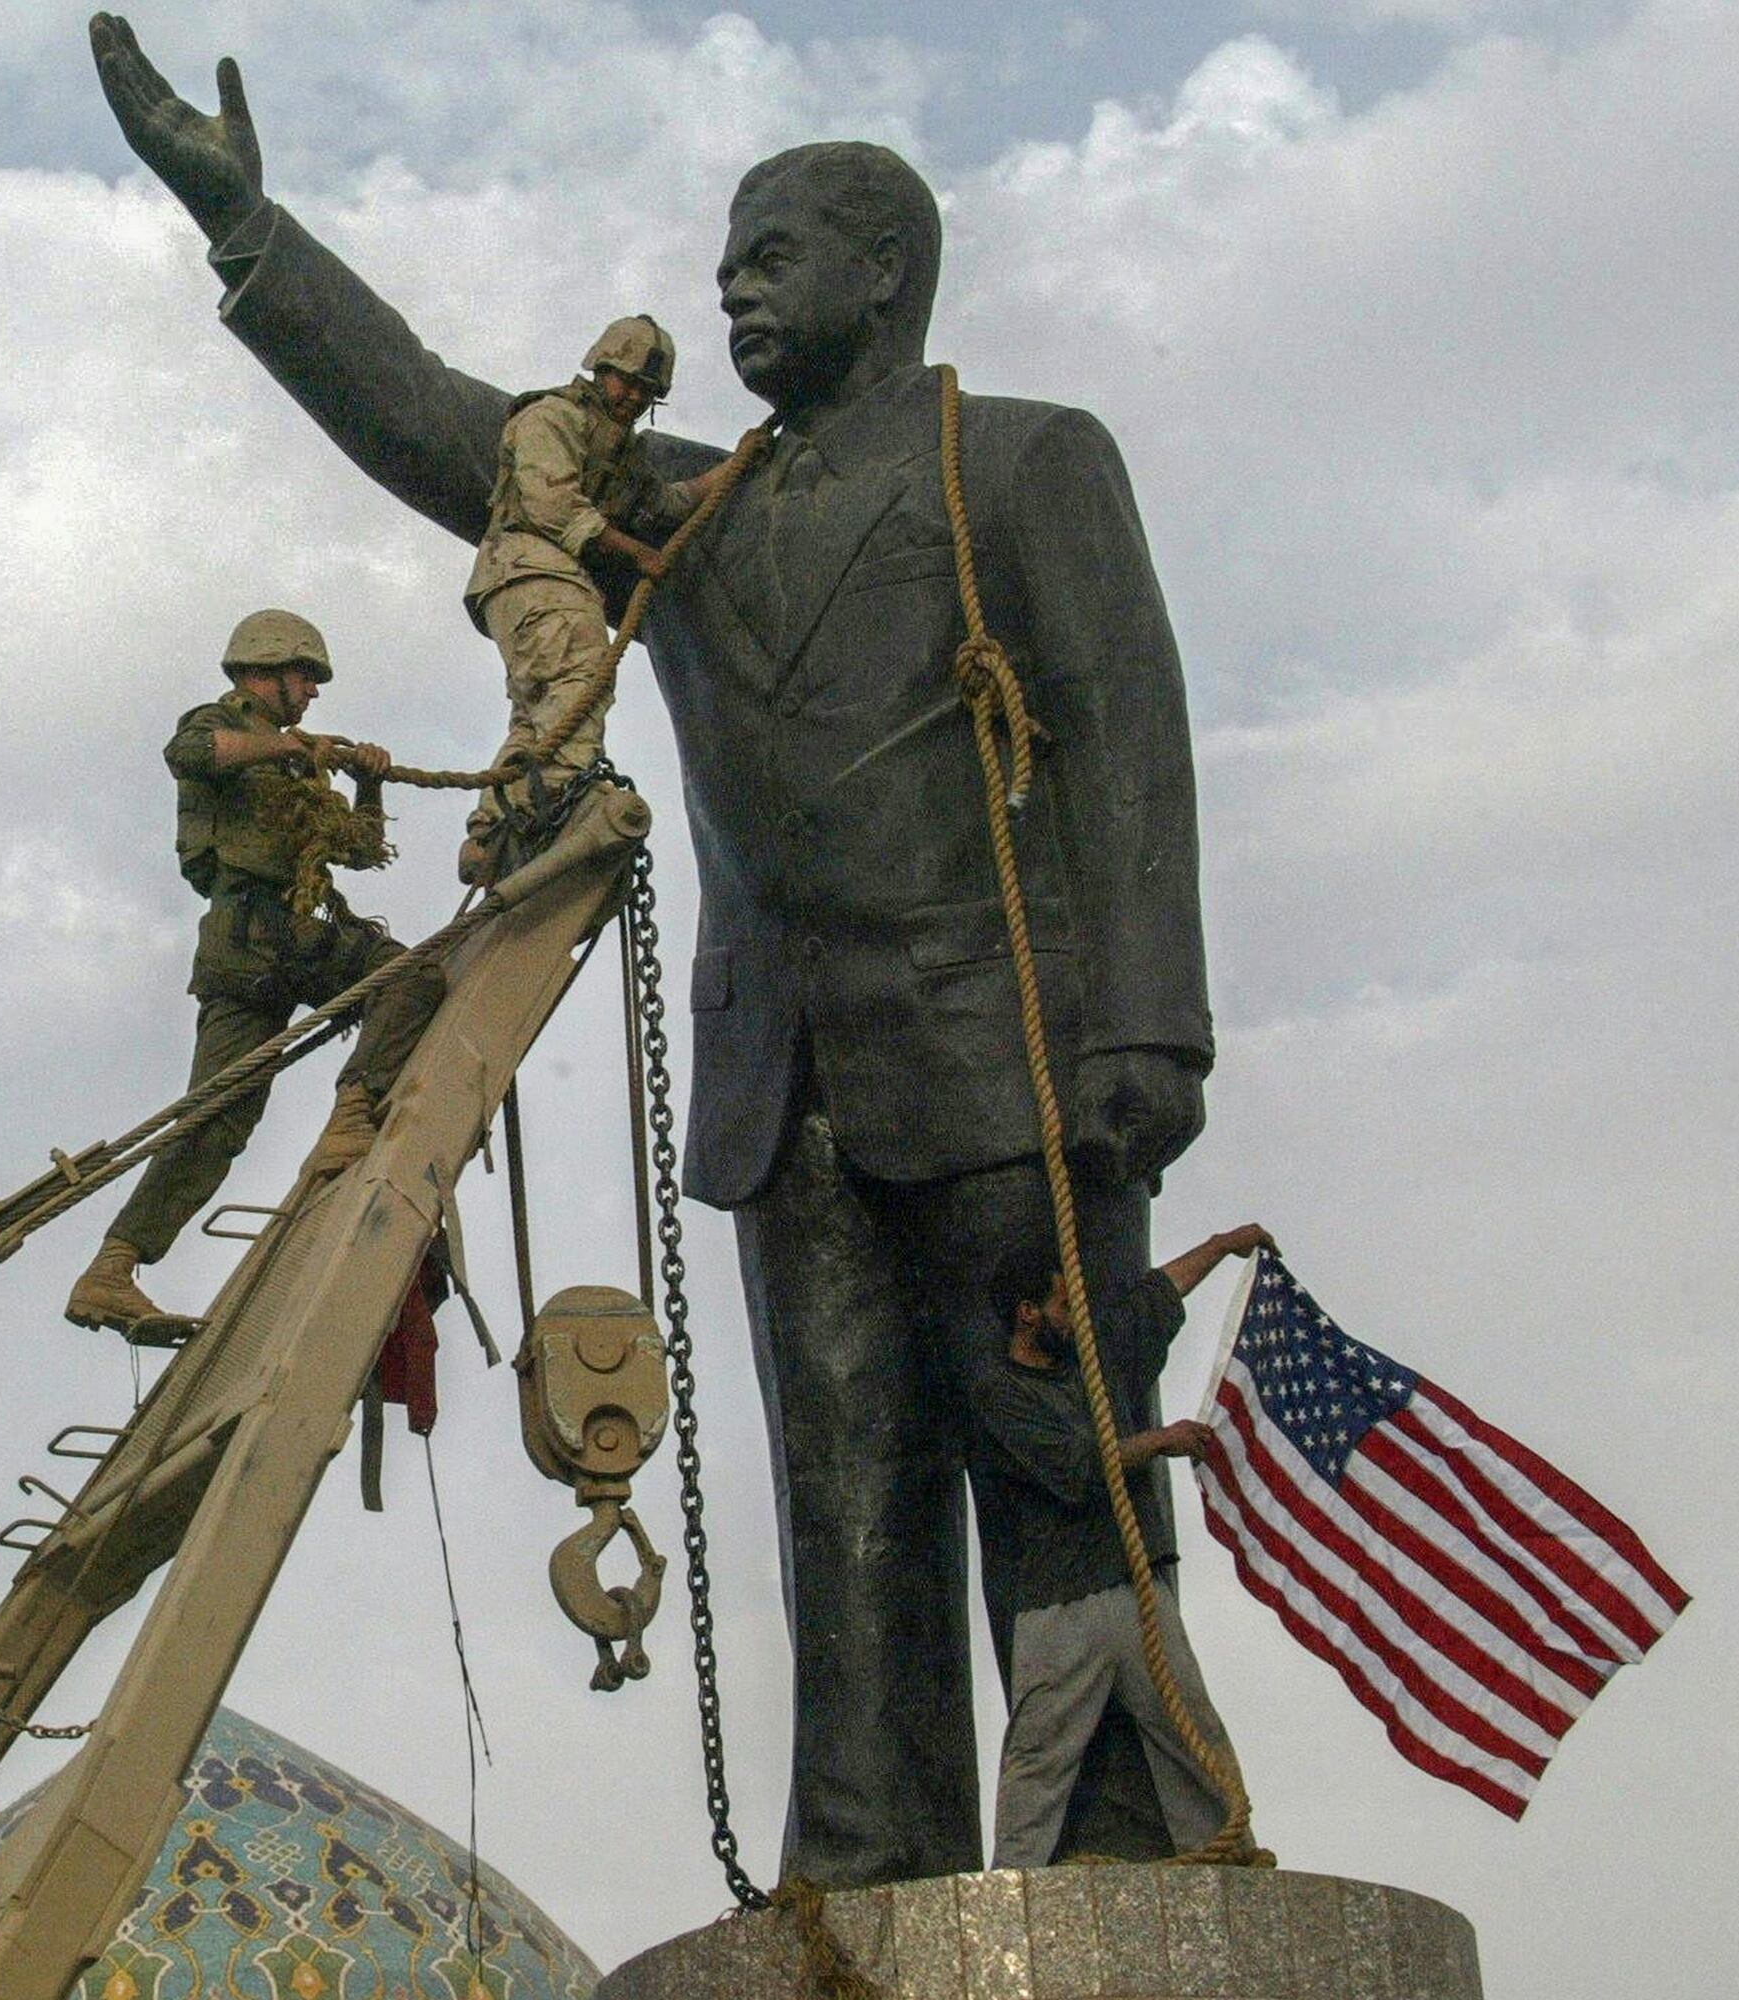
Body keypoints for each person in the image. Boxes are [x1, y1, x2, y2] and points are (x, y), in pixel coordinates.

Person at [94, 18, 1215, 1884]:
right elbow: (457, 428)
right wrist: (251, 237)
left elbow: (1129, 738)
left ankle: (1115, 1839)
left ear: (887, 271)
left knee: (1054, 1449)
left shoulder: (1020, 465)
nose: (732, 294)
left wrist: (1149, 1038)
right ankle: (868, 1863)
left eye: (772, 261)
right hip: (789, 1086)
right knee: (840, 1495)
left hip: (1013, 1052)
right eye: (722, 268)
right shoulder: (675, 516)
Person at [64, 609, 446, 1338]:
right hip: (259, 931)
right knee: (412, 978)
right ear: (264, 671)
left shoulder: (292, 757)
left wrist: (367, 783)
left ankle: (111, 1268)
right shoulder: (224, 728)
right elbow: (191, 752)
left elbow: (360, 851)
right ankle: (353, 1113)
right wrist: (294, 748)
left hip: (255, 943)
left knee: (213, 1120)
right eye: (304, 677)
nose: (310, 693)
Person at [971, 1225, 1267, 1866]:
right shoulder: (998, 1392)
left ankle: (1227, 1861)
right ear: (1027, 1315)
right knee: (1039, 1753)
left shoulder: (1099, 1354)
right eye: (1061, 1305)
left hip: (1134, 1590)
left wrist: (1220, 1245)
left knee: (1192, 1731)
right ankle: (1013, 1884)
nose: (1075, 1314)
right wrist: (1158, 1441)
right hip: (1058, 1603)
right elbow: (1075, 1468)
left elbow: (1157, 1298)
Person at [459, 316, 696, 885]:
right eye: (627, 382)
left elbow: (666, 502)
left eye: (647, 391)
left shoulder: (619, 451)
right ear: (601, 368)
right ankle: (545, 810)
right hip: (528, 566)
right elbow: (552, 506)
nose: (634, 397)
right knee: (584, 679)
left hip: (543, 577)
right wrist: (640, 555)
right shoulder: (551, 417)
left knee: (538, 709)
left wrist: (741, 463)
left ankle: (492, 832)